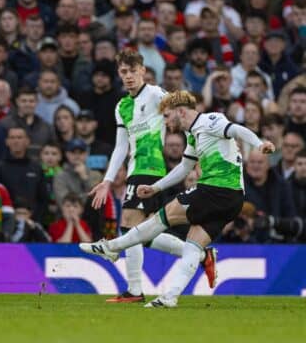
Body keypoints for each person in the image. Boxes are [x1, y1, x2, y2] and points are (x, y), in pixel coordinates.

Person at [82, 90, 275, 308]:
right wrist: (155, 187)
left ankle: (112, 246)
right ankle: (170, 297)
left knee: (162, 217)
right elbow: (185, 167)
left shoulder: (210, 120)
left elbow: (236, 129)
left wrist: (259, 144)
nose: (165, 122)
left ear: (180, 111)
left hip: (217, 189)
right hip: (232, 199)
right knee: (193, 246)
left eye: (166, 116)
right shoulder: (193, 134)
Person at [86, 49, 189, 303]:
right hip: (134, 169)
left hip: (151, 168)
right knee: (144, 233)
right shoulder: (122, 106)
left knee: (129, 225)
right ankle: (198, 253)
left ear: (143, 71)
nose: (129, 76)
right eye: (124, 72)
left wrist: (195, 153)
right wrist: (107, 181)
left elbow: (182, 110)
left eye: (133, 71)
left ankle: (134, 290)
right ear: (119, 74)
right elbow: (121, 146)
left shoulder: (155, 94)